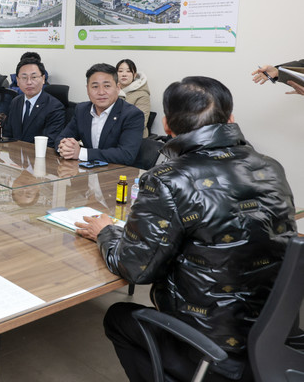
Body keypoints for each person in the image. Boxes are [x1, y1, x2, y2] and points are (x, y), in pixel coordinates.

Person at [75, 76, 296, 382]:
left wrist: (106, 232)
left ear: (166, 125)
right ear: (231, 119)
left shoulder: (167, 179)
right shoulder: (271, 166)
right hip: (274, 339)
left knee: (118, 317)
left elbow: (135, 269)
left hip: (209, 351)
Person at [55, 63, 144, 166]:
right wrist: (64, 147)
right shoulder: (82, 109)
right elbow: (61, 138)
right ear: (87, 89)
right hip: (87, 171)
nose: (101, 92)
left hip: (118, 173)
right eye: (95, 86)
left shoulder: (132, 115)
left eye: (107, 86)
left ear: (118, 88)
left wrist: (82, 153)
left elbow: (126, 155)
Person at [3, 58, 64, 144]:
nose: (29, 82)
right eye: (24, 78)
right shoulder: (15, 102)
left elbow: (50, 142)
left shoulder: (55, 107)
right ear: (17, 81)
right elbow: (7, 133)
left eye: (34, 77)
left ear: (43, 79)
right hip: (14, 151)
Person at [116, 58, 151, 137]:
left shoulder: (142, 95)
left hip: (134, 136)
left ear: (134, 75)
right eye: (120, 71)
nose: (124, 74)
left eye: (128, 71)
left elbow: (140, 123)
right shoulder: (111, 92)